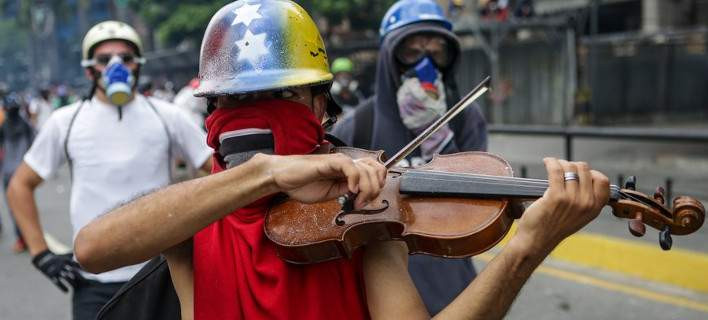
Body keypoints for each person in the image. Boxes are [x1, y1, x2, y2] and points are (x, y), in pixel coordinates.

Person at [74, 2, 610, 320]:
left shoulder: (362, 201)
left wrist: (527, 249)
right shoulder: (196, 210)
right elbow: (93, 250)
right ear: (211, 111)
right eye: (235, 101)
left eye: (280, 97)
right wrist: (263, 171)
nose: (253, 115)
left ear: (319, 107)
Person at [7, 20, 212, 320]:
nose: (116, 66)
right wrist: (41, 254)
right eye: (104, 60)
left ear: (138, 65)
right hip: (93, 283)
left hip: (161, 275)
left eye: (126, 58)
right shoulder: (66, 121)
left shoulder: (169, 116)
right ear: (90, 69)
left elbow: (217, 170)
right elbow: (20, 185)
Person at [331, 0, 488, 314]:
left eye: (436, 51)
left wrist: (439, 139)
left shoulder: (465, 119)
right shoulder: (359, 123)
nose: (425, 64)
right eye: (412, 53)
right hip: (379, 288)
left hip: (451, 282)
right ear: (391, 58)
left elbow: (476, 208)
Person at [0, 93, 34, 253]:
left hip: (8, 173)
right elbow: (34, 145)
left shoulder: (3, 127)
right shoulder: (26, 125)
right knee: (27, 206)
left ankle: (21, 239)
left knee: (14, 208)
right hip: (24, 171)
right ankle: (29, 238)